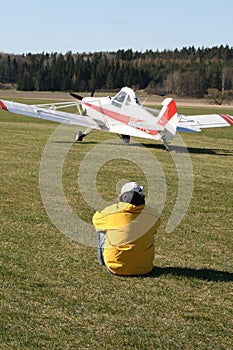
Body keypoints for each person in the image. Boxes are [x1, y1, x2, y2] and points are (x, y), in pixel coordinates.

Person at [92, 182, 160, 276]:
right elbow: (156, 227)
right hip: (145, 268)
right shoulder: (152, 214)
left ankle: (103, 261)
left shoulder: (110, 212)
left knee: (102, 229)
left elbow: (95, 220)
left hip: (115, 268)